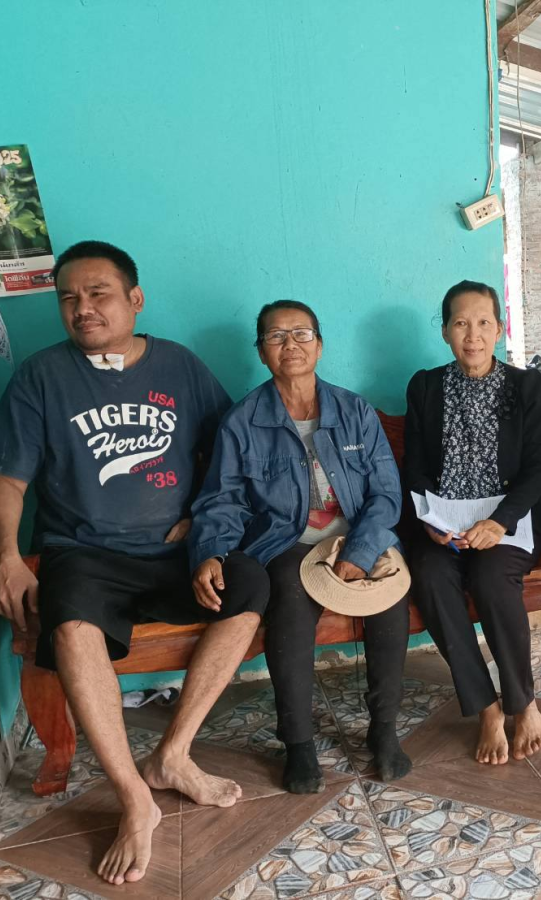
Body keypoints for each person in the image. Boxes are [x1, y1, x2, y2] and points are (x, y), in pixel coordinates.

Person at [0, 241, 268, 886]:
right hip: (83, 552)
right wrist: (6, 555)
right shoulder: (40, 377)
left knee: (250, 584)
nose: (82, 308)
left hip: (174, 553)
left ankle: (173, 756)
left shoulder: (180, 366)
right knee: (69, 624)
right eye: (68, 298)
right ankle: (134, 799)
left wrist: (207, 517)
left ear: (135, 300)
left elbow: (228, 451)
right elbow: (7, 477)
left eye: (97, 293)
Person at [189, 300, 411, 795]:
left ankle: (384, 729)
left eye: (301, 334)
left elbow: (386, 493)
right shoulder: (242, 421)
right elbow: (221, 499)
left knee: (389, 601)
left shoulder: (354, 411)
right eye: (276, 336)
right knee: (289, 601)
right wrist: (210, 551)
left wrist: (359, 553)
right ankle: (298, 742)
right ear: (261, 352)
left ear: (320, 345)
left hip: (359, 534)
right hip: (286, 541)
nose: (290, 344)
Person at [403, 281, 541, 764]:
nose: (473, 335)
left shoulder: (526, 386)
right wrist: (429, 518)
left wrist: (501, 521)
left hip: (507, 518)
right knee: (429, 576)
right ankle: (486, 707)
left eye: (484, 323)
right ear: (445, 330)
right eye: (461, 323)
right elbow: (414, 465)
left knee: (492, 578)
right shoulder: (425, 386)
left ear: (500, 330)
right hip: (445, 522)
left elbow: (540, 463)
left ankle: (522, 702)